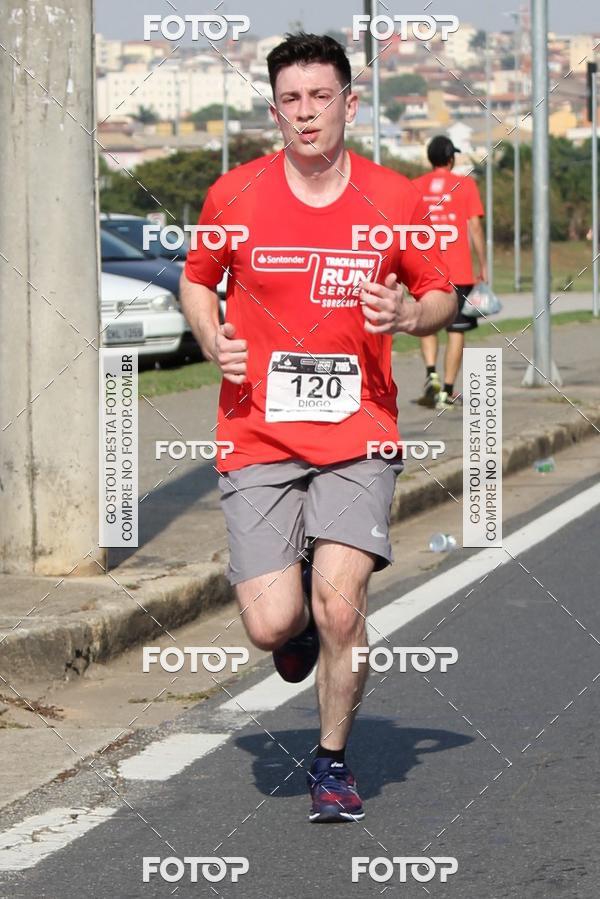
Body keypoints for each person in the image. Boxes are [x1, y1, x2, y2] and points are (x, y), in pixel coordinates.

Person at [180, 33, 456, 823]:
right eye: (291, 100)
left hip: (357, 429)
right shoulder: (233, 193)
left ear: (348, 103)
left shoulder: (392, 197)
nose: (306, 113)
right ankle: (293, 603)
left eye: (320, 96)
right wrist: (210, 335)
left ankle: (331, 761)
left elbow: (438, 290)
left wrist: (409, 311)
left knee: (342, 607)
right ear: (276, 110)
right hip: (256, 430)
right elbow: (198, 280)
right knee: (274, 624)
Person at [412, 135, 487, 410]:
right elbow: (475, 227)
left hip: (424, 268)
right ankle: (446, 390)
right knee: (456, 330)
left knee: (426, 323)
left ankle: (430, 374)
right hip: (457, 271)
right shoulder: (465, 185)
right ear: (451, 158)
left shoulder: (415, 186)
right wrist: (483, 264)